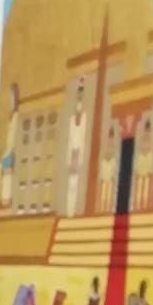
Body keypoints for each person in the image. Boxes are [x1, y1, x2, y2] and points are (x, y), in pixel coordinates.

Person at [66, 80, 86, 216]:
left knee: (76, 185)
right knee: (70, 185)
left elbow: (82, 138)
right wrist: (71, 158)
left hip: (78, 155)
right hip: (72, 154)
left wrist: (78, 158)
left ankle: (74, 211)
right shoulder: (72, 120)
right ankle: (69, 211)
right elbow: (70, 140)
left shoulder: (84, 118)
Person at [0, 82, 19, 209]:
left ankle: (6, 200)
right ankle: (4, 199)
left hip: (10, 152)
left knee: (7, 177)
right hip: (8, 152)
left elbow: (12, 137)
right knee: (4, 177)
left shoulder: (15, 117)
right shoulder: (11, 117)